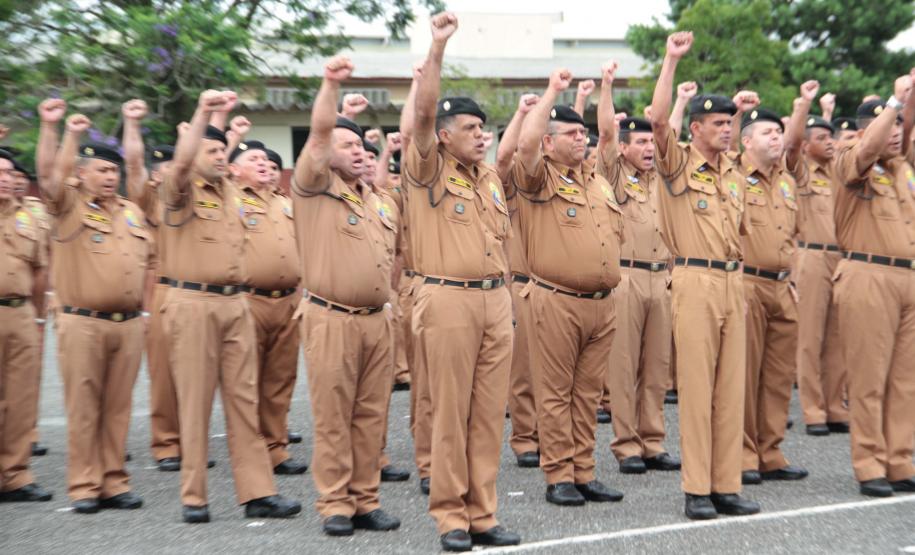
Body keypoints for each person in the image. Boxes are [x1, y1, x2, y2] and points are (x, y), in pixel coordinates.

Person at [405, 12, 520, 552]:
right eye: (471, 130)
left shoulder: (489, 178)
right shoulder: (427, 167)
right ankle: (450, 515)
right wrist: (437, 47)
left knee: (486, 412)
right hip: (446, 297)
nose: (481, 136)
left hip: (494, 300)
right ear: (445, 137)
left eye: (483, 128)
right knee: (449, 412)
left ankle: (483, 513)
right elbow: (424, 111)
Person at [160, 89, 301, 523]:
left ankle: (258, 492)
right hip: (193, 302)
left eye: (224, 151)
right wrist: (203, 112)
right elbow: (183, 163)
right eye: (212, 150)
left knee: (243, 400)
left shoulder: (235, 193)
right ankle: (194, 495)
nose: (220, 157)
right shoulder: (179, 190)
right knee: (196, 400)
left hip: (235, 303)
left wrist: (223, 125)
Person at [648, 31, 760, 519]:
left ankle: (725, 484)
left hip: (734, 282)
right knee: (696, 389)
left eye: (730, 123)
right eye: (717, 124)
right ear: (695, 129)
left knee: (731, 388)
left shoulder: (732, 172)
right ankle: (697, 489)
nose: (726, 130)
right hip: (694, 281)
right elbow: (656, 120)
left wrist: (740, 107)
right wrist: (671, 62)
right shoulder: (677, 165)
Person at [291, 55, 401, 537]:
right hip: (331, 318)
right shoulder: (313, 188)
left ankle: (365, 499)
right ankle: (335, 503)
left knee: (371, 417)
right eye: (347, 145)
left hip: (377, 320)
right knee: (334, 416)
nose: (358, 152)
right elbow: (317, 138)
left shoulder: (374, 198)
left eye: (361, 145)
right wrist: (330, 85)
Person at [514, 63, 626, 508]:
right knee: (556, 394)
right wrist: (551, 91)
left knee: (588, 395)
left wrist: (605, 87)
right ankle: (558, 473)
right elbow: (524, 146)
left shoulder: (597, 181)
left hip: (602, 303)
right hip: (556, 300)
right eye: (570, 134)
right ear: (548, 141)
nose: (581, 139)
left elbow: (611, 137)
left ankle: (584, 471)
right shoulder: (538, 179)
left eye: (583, 134)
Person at [37, 101, 152, 514]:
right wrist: (60, 131)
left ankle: (113, 480)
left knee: (118, 407)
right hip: (82, 322)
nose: (110, 177)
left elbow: (149, 262)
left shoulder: (132, 212)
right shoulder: (67, 207)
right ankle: (84, 485)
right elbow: (49, 175)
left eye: (113, 171)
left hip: (127, 324)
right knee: (84, 408)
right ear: (81, 175)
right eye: (101, 171)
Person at [832, 70, 915, 498]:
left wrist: (909, 97)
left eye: (902, 128)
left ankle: (899, 460)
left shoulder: (901, 167)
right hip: (867, 275)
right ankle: (869, 464)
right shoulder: (850, 157)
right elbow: (868, 147)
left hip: (907, 278)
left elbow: (902, 132)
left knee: (904, 381)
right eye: (891, 126)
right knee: (868, 377)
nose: (899, 134)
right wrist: (895, 103)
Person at [601, 93, 680, 474]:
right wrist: (605, 87)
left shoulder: (661, 179)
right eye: (642, 143)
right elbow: (604, 140)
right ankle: (626, 444)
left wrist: (679, 100)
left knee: (656, 366)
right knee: (624, 365)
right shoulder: (615, 175)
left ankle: (653, 441)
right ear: (625, 147)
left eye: (652, 142)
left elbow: (672, 135)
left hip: (660, 276)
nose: (650, 148)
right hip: (627, 276)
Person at [732, 101, 808, 485]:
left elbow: (793, 233)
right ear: (745, 141)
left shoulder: (786, 180)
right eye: (767, 131)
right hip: (748, 283)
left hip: (782, 284)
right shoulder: (732, 174)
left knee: (778, 376)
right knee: (745, 374)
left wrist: (793, 277)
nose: (776, 136)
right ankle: (744, 454)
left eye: (779, 131)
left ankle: (770, 451)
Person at [226, 139, 307, 476]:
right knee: (245, 383)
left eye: (266, 158)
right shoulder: (229, 199)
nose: (263, 163)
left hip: (288, 300)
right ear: (233, 169)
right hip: (249, 300)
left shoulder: (285, 203)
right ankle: (250, 455)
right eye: (252, 159)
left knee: (280, 379)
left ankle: (276, 448)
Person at [783, 83, 849, 437]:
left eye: (831, 137)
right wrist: (805, 107)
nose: (830, 141)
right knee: (810, 337)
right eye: (822, 137)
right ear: (808, 145)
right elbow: (791, 144)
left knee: (838, 336)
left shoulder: (840, 172)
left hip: (841, 259)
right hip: (810, 257)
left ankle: (835, 404)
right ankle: (813, 409)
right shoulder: (801, 169)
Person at [0, 148, 53, 504]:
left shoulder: (28, 216)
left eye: (8, 172)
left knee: (19, 400)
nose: (6, 177)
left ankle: (14, 475)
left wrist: (35, 316)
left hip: (19, 313)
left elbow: (38, 269)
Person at [497, 93, 541, 469]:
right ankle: (526, 438)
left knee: (556, 372)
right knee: (524, 369)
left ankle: (551, 435)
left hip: (559, 288)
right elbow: (505, 157)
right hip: (525, 284)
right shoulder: (515, 184)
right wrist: (521, 112)